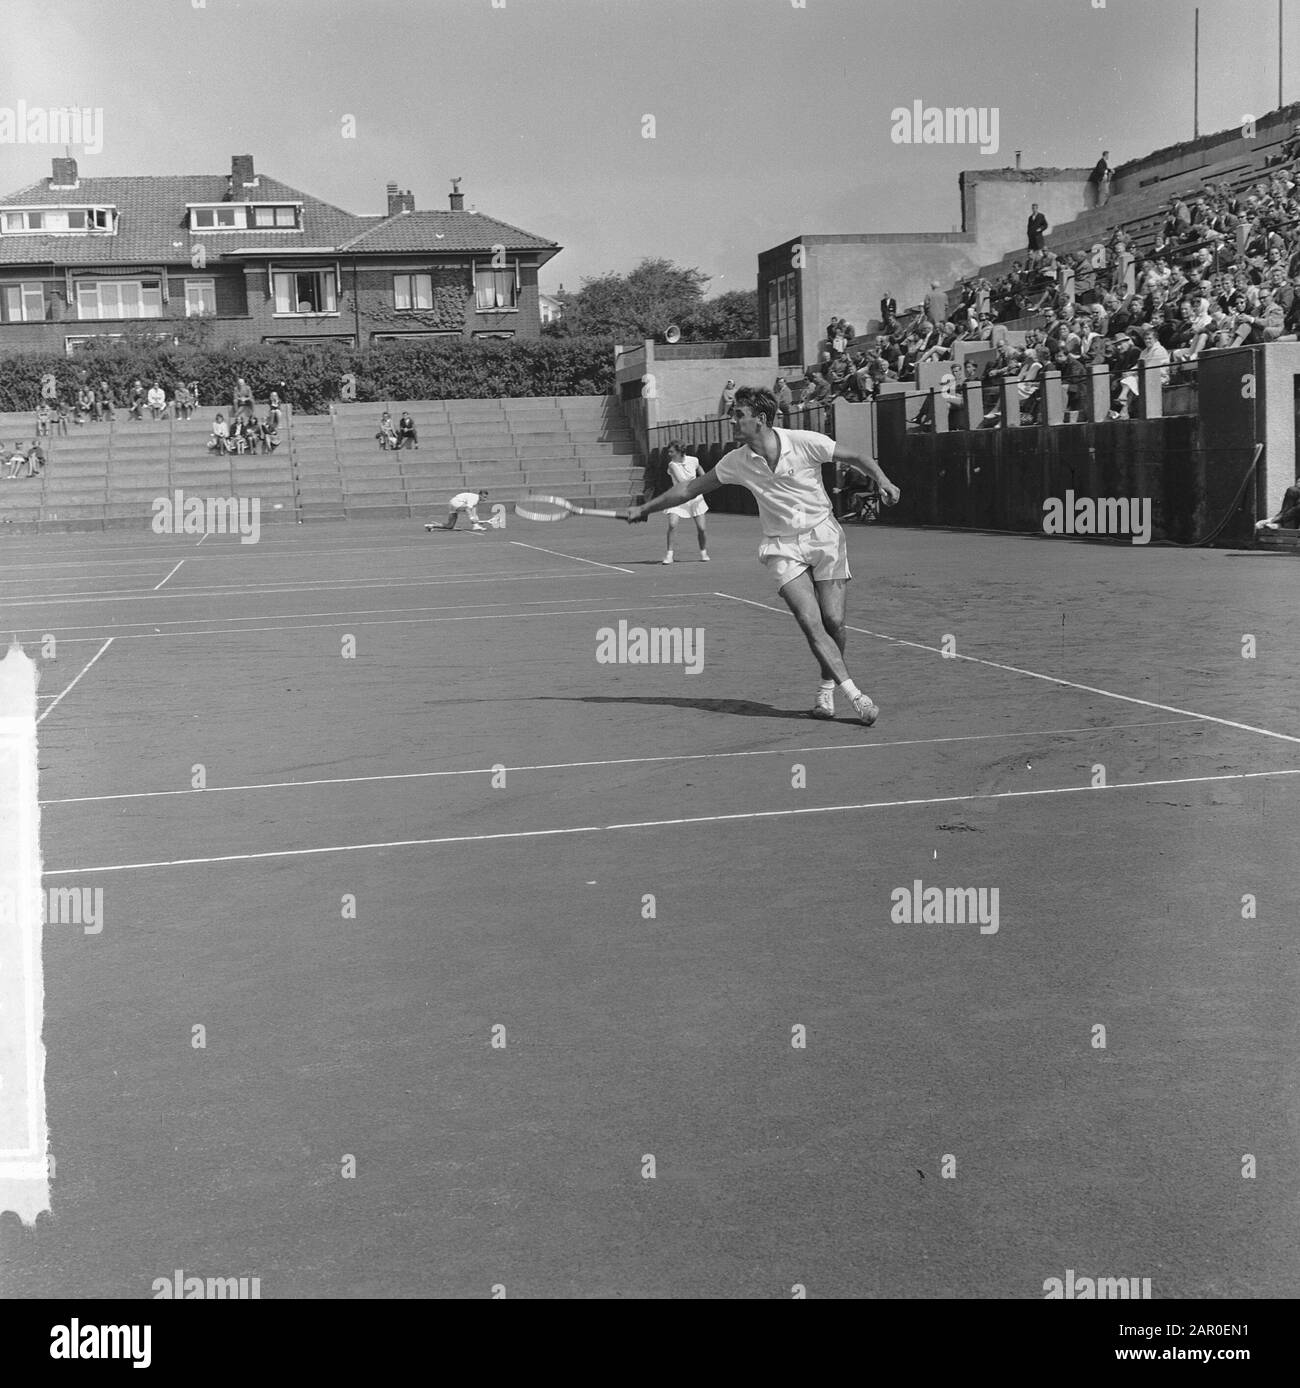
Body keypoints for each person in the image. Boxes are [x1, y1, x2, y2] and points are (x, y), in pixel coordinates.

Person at [624, 387, 901, 725]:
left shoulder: (803, 441)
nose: (732, 420)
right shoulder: (735, 461)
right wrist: (647, 508)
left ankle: (827, 683)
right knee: (809, 620)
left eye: (739, 414)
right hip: (781, 546)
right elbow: (688, 489)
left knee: (834, 622)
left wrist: (883, 481)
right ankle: (856, 696)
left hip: (825, 536)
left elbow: (856, 457)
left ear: (761, 420)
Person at [659, 440, 709, 564]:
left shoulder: (694, 460)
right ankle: (669, 555)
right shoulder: (672, 465)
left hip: (695, 498)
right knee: (672, 524)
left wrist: (704, 480)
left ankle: (703, 552)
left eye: (672, 451)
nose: (669, 454)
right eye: (669, 451)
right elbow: (682, 481)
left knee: (702, 528)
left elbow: (701, 470)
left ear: (679, 452)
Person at [1027, 203, 1048, 267]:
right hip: (1031, 238)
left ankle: (1040, 265)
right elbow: (1029, 226)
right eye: (1033, 208)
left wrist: (1040, 229)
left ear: (1037, 208)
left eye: (1035, 208)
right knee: (1032, 254)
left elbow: (1045, 225)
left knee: (1040, 252)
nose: (1034, 209)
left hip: (1038, 237)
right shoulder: (1030, 217)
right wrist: (1028, 233)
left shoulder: (1041, 216)